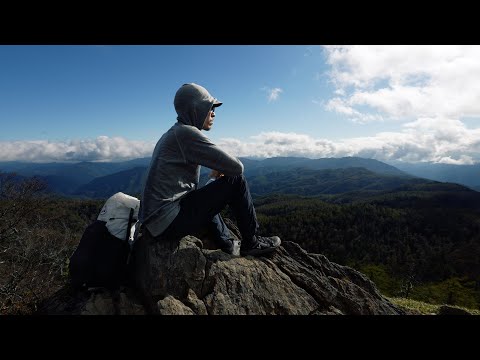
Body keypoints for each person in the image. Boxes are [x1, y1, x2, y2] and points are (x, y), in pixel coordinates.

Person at [139, 83, 281, 257]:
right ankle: (252, 242)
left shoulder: (173, 134)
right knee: (236, 181)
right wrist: (217, 174)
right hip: (166, 222)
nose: (213, 113)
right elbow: (237, 168)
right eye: (210, 107)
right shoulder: (186, 134)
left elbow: (192, 196)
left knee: (205, 195)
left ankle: (228, 245)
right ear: (196, 108)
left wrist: (212, 181)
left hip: (157, 220)